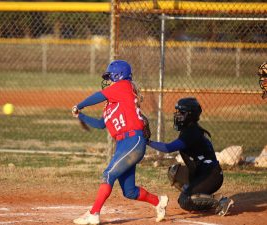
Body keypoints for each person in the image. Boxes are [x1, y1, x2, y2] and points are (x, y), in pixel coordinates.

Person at [71, 60, 168, 225]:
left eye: (109, 77)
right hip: (123, 145)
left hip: (133, 140)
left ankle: (94, 213)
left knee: (108, 174)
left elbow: (97, 96)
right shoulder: (112, 103)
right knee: (129, 191)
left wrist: (79, 105)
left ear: (118, 76)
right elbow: (101, 125)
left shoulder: (124, 85)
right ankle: (158, 202)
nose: (107, 81)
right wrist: (80, 115)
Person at [147, 97, 234, 216]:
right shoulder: (189, 129)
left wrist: (147, 142)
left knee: (184, 201)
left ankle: (220, 201)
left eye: (181, 112)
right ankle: (199, 200)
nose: (177, 115)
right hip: (201, 172)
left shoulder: (191, 132)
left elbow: (168, 148)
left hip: (211, 175)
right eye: (177, 112)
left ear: (190, 115)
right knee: (174, 172)